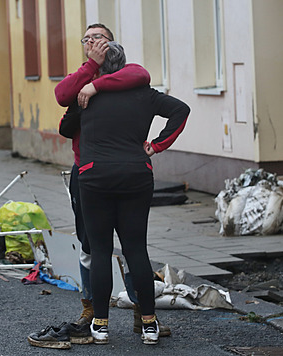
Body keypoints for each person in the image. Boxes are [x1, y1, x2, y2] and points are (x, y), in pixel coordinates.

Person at [27, 24, 169, 349]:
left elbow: (140, 74)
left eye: (99, 38)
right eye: (87, 39)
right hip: (93, 172)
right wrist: (89, 74)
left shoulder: (122, 77)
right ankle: (96, 312)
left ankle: (131, 313)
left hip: (104, 174)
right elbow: (62, 96)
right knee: (94, 246)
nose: (93, 42)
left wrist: (95, 86)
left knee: (118, 247)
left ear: (111, 44)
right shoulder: (82, 78)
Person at [76, 41, 189, 345]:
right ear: (124, 67)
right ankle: (149, 325)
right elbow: (181, 110)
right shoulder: (146, 95)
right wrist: (156, 145)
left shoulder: (85, 96)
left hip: (95, 176)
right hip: (136, 175)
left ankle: (100, 325)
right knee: (136, 249)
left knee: (100, 249)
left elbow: (65, 127)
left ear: (101, 68)